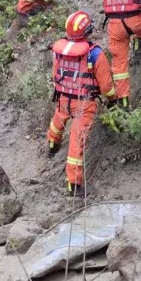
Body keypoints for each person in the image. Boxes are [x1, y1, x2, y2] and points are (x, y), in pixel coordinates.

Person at [49, 10, 116, 198]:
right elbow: (106, 85)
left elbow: (55, 75)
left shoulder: (58, 51)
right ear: (88, 31)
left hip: (63, 98)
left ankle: (52, 145)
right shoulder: (95, 54)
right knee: (76, 143)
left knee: (57, 122)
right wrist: (113, 100)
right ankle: (74, 185)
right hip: (84, 104)